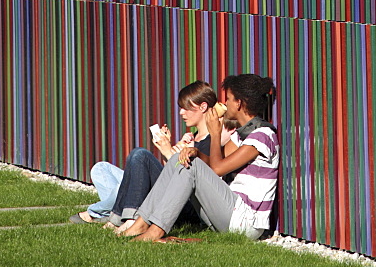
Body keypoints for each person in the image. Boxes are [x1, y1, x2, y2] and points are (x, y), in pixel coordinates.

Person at [122, 73, 279, 242]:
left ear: (239, 103)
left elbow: (217, 169)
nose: (225, 103)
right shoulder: (241, 136)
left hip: (246, 222)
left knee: (192, 166)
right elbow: (214, 163)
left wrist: (215, 133)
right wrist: (194, 152)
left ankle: (156, 231)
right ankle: (141, 223)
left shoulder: (262, 136)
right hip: (229, 213)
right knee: (178, 159)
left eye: (229, 99)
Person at [69, 80, 218, 227]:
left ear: (203, 106)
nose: (181, 112)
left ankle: (119, 216)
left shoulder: (212, 140)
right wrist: (167, 148)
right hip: (166, 192)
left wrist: (167, 151)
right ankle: (116, 209)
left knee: (140, 156)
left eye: (186, 108)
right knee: (101, 169)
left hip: (185, 206)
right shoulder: (192, 137)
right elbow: (170, 172)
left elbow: (189, 180)